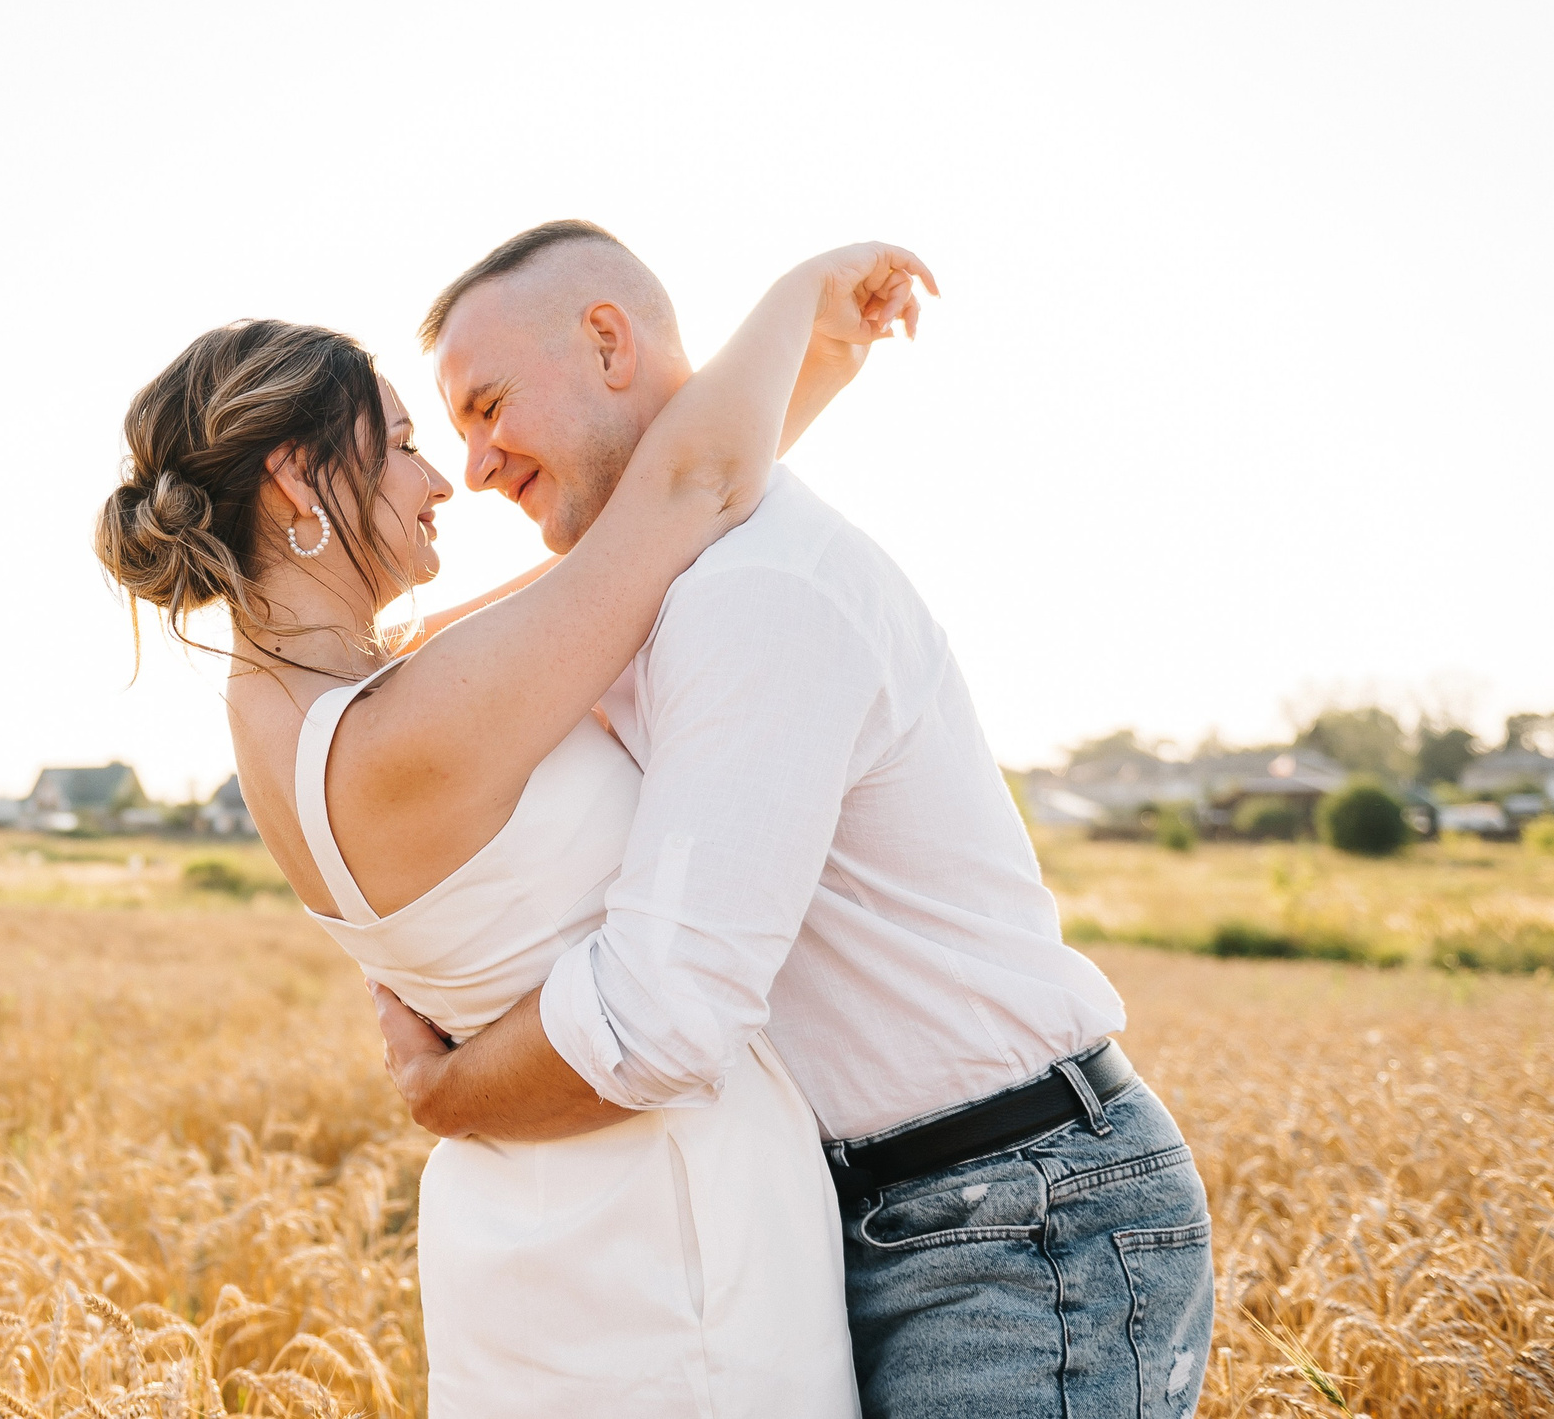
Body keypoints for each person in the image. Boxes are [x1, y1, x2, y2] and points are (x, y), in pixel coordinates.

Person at [371, 221, 1216, 1418]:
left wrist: (446, 1090)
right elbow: (492, 620)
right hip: (886, 1214)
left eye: (489, 404)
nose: (473, 463)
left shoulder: (753, 593)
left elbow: (664, 1015)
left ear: (607, 342)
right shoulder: (660, 581)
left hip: (1017, 1225)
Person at [93, 239, 930, 1415]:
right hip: (674, 1257)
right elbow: (682, 494)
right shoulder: (414, 723)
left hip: (539, 1245)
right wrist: (802, 293)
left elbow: (648, 521)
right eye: (403, 443)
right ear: (295, 478)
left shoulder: (309, 716)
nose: (441, 482)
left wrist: (819, 365)